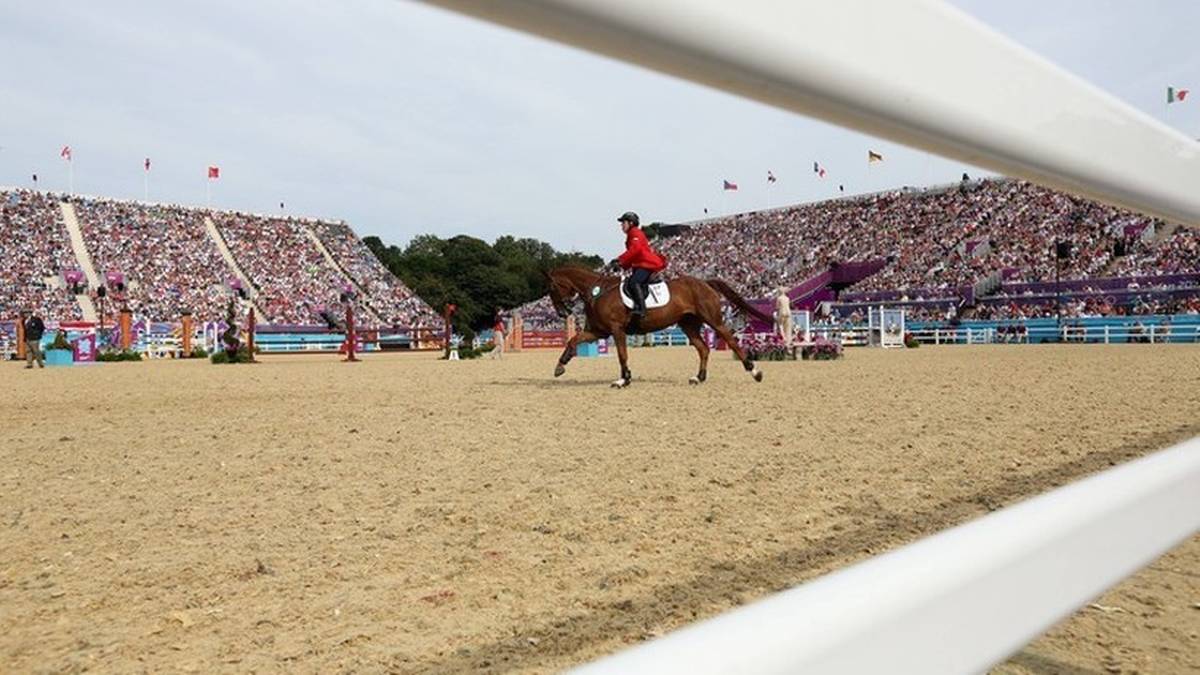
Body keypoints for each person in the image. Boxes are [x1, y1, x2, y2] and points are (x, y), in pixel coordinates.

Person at [615, 211, 667, 322]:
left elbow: (636, 250)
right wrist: (621, 265)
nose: (621, 225)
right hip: (640, 265)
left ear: (631, 223)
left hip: (647, 264)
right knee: (630, 282)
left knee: (634, 282)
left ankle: (642, 310)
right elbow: (633, 256)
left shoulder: (635, 233)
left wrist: (620, 260)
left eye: (623, 222)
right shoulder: (631, 235)